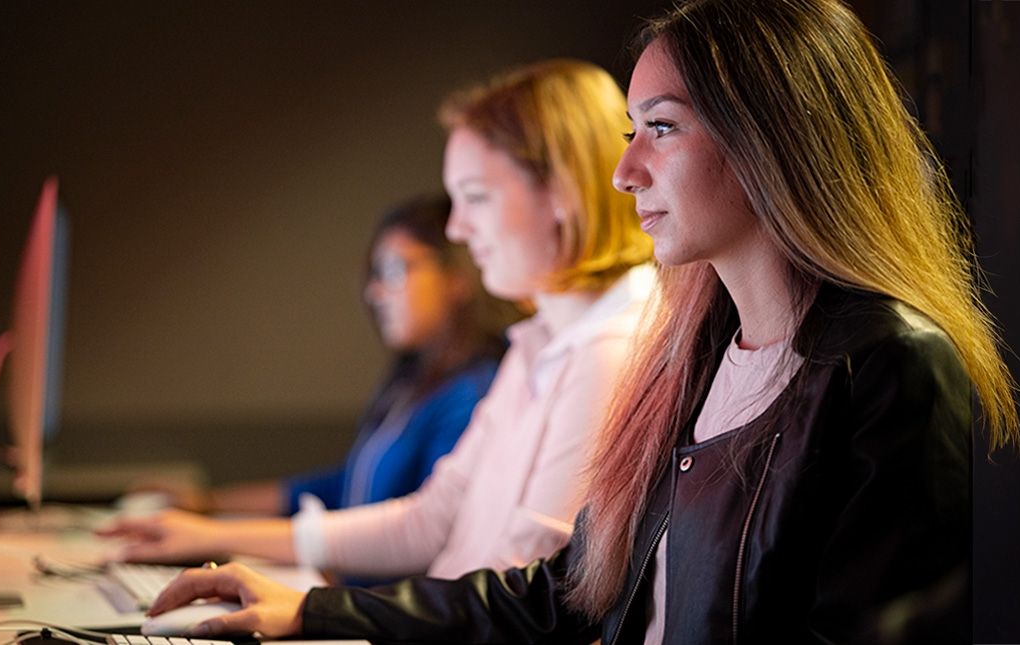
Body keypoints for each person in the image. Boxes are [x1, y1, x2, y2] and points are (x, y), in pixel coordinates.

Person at [141, 1, 1020, 643]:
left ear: (772, 139)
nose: (625, 170)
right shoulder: (693, 356)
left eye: (661, 129)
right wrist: (312, 608)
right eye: (631, 130)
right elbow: (569, 590)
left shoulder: (893, 366)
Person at [100, 59, 657, 586]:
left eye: (475, 197)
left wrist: (314, 610)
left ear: (560, 193)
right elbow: (429, 521)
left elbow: (521, 590)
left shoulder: (610, 349)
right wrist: (211, 536)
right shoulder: (539, 342)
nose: (458, 230)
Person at [145, 195, 518, 521]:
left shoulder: (475, 393)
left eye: (392, 270)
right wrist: (210, 506)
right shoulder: (414, 381)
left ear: (458, 275)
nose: (374, 292)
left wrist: (221, 535)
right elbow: (350, 488)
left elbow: (422, 535)